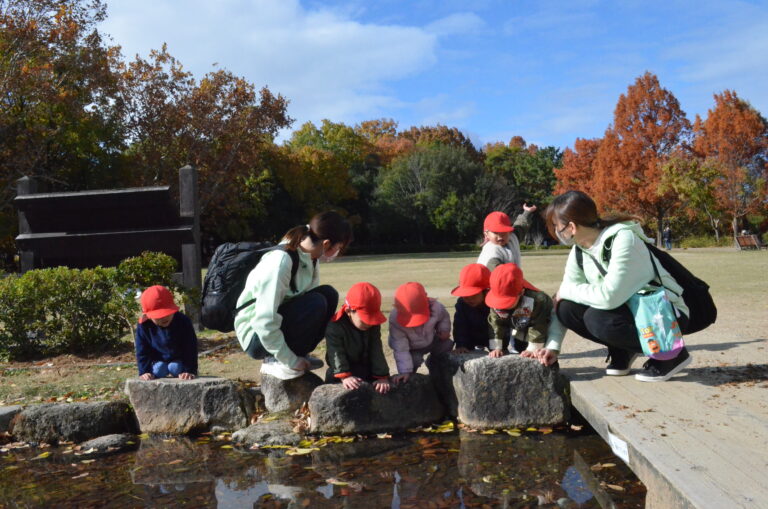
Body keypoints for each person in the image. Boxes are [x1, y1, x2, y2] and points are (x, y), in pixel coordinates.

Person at [540, 190, 691, 382]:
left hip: (665, 315)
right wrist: (552, 347)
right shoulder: (579, 251)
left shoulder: (624, 239)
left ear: (571, 227)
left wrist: (566, 290)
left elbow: (609, 296)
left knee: (597, 318)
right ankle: (623, 351)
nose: (556, 232)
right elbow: (561, 299)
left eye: (556, 226)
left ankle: (670, 353)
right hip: (631, 312)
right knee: (566, 308)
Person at [234, 211, 353, 380]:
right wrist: (288, 359)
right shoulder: (280, 262)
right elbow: (264, 320)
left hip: (275, 327)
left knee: (329, 295)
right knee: (317, 302)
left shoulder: (311, 258)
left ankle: (298, 352)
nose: (337, 253)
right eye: (338, 248)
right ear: (326, 244)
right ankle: (274, 360)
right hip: (256, 336)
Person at [324, 282, 391, 394]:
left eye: (372, 319)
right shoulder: (335, 326)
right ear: (349, 311)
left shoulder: (373, 324)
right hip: (343, 368)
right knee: (331, 375)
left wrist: (381, 376)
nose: (369, 323)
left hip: (365, 366)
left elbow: (376, 349)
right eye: (365, 319)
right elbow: (335, 352)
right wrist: (344, 376)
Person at [485, 263, 558, 357]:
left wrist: (533, 349)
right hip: (518, 323)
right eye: (499, 302)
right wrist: (496, 348)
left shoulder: (538, 300)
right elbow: (495, 323)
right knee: (520, 347)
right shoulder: (495, 300)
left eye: (507, 302)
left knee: (535, 352)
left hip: (540, 323)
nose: (502, 306)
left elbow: (539, 326)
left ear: (521, 292)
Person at [388, 282, 452, 384]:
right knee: (414, 360)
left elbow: (443, 317)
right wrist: (404, 371)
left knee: (447, 344)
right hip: (411, 348)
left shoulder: (436, 308)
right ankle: (411, 381)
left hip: (431, 340)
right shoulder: (395, 320)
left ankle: (435, 367)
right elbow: (401, 348)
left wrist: (444, 330)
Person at [135, 285, 198, 381]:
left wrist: (189, 370)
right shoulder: (144, 326)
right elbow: (142, 351)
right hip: (158, 360)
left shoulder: (183, 321)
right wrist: (144, 371)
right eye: (158, 316)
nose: (164, 318)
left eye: (167, 313)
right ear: (148, 316)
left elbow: (190, 347)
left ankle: (179, 368)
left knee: (175, 367)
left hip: (178, 359)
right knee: (159, 369)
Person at [477, 204, 537, 271]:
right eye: (495, 232)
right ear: (486, 234)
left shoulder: (511, 238)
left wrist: (527, 212)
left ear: (509, 232)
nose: (500, 236)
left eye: (504, 232)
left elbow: (520, 227)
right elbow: (499, 276)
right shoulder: (492, 252)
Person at [451, 263, 492, 353]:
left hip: (492, 337)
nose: (469, 299)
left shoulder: (495, 303)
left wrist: (498, 347)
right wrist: (461, 345)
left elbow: (500, 327)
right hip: (471, 337)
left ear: (486, 291)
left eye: (473, 295)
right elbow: (460, 326)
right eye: (465, 295)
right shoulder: (462, 304)